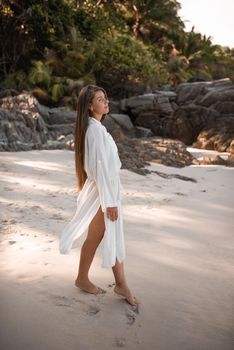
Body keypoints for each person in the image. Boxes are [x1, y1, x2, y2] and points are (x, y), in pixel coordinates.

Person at [59, 84, 139, 306]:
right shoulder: (94, 131)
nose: (106, 102)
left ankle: (83, 279)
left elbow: (104, 168)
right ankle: (121, 285)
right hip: (103, 193)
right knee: (110, 234)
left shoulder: (96, 129)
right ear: (89, 105)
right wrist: (110, 202)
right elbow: (101, 168)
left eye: (105, 98)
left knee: (96, 237)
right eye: (100, 99)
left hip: (104, 190)